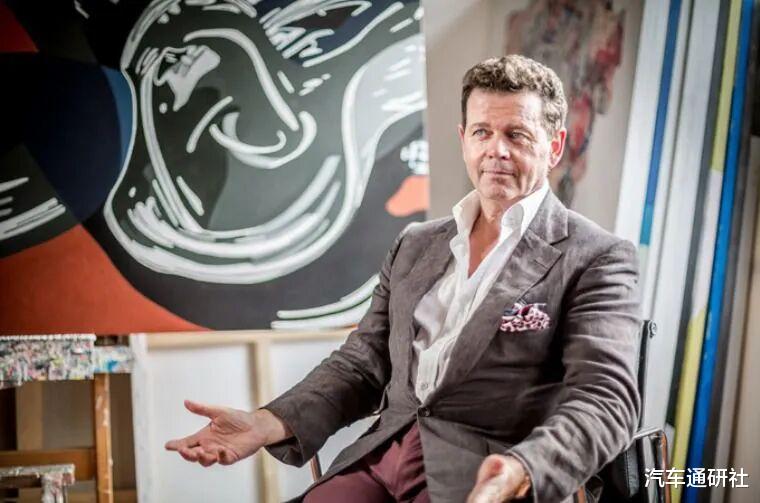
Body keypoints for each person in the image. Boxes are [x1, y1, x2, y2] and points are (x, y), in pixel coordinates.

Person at [165, 55, 642, 503]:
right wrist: (265, 422)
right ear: (464, 139)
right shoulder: (416, 243)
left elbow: (605, 401)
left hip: (482, 477)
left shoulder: (596, 257)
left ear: (554, 146)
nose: (495, 150)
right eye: (482, 132)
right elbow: (363, 363)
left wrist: (524, 469)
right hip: (378, 460)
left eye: (517, 135)